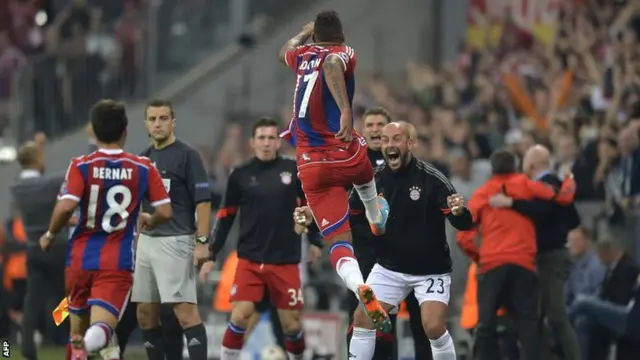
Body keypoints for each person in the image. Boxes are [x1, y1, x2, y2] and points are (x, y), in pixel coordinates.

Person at [298, 122, 472, 360]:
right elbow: (344, 214)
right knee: (362, 319)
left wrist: (460, 212)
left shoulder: (432, 179)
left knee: (432, 326)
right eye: (385, 140)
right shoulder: (373, 181)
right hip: (390, 268)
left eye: (396, 139)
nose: (390, 144)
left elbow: (462, 223)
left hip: (430, 270)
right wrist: (315, 213)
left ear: (411, 143)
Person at [278, 10, 391, 331]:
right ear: (341, 36)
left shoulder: (300, 54)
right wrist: (344, 110)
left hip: (310, 166)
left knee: (340, 243)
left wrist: (304, 34)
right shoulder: (343, 52)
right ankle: (375, 216)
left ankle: (359, 288)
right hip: (341, 152)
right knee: (365, 165)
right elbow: (330, 65)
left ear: (315, 37)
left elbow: (284, 49)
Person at [38, 99, 173, 359]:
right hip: (116, 262)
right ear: (125, 131)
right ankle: (89, 348)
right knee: (103, 326)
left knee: (76, 327)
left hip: (79, 260)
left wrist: (50, 234)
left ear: (94, 131)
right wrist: (148, 219)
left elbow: (66, 207)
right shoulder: (143, 167)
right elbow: (166, 211)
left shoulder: (80, 165)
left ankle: (80, 349)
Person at [201, 117, 324, 360]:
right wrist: (211, 253)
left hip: (285, 261)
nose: (266, 143)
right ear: (252, 142)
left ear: (278, 142)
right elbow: (225, 217)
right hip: (250, 260)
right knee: (238, 316)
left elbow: (309, 208)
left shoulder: (294, 170)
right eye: (261, 138)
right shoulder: (241, 174)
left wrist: (315, 241)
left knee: (291, 325)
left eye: (271, 138)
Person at [456, 149, 576, 360]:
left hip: (492, 266)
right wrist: (568, 179)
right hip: (523, 265)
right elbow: (563, 196)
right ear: (515, 166)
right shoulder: (527, 185)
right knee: (528, 326)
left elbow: (463, 237)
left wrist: (478, 257)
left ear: (492, 169)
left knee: (486, 327)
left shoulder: (483, 194)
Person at [346, 109, 430, 360]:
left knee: (420, 322)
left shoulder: (409, 167)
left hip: (408, 252)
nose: (374, 129)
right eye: (369, 124)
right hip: (365, 253)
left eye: (380, 124)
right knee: (364, 319)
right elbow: (338, 204)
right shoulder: (351, 164)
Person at [131, 99, 211, 360]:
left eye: (163, 118)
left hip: (176, 241)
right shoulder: (143, 158)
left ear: (173, 122)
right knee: (145, 314)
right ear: (145, 124)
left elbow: (203, 200)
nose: (158, 124)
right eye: (152, 119)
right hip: (147, 243)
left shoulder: (188, 155)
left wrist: (202, 241)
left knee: (185, 313)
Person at [488, 145, 581, 360]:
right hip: (553, 255)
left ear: (531, 164)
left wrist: (511, 202)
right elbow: (574, 219)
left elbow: (541, 210)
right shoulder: (560, 186)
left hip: (549, 257)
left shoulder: (544, 185)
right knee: (537, 316)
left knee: (555, 316)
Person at [10, 134, 69, 360]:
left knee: (32, 302)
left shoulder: (17, 187)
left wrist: (39, 149)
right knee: (72, 297)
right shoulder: (49, 183)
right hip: (57, 247)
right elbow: (66, 175)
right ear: (36, 160)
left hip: (34, 250)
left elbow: (35, 171)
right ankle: (64, 332)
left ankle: (27, 351)